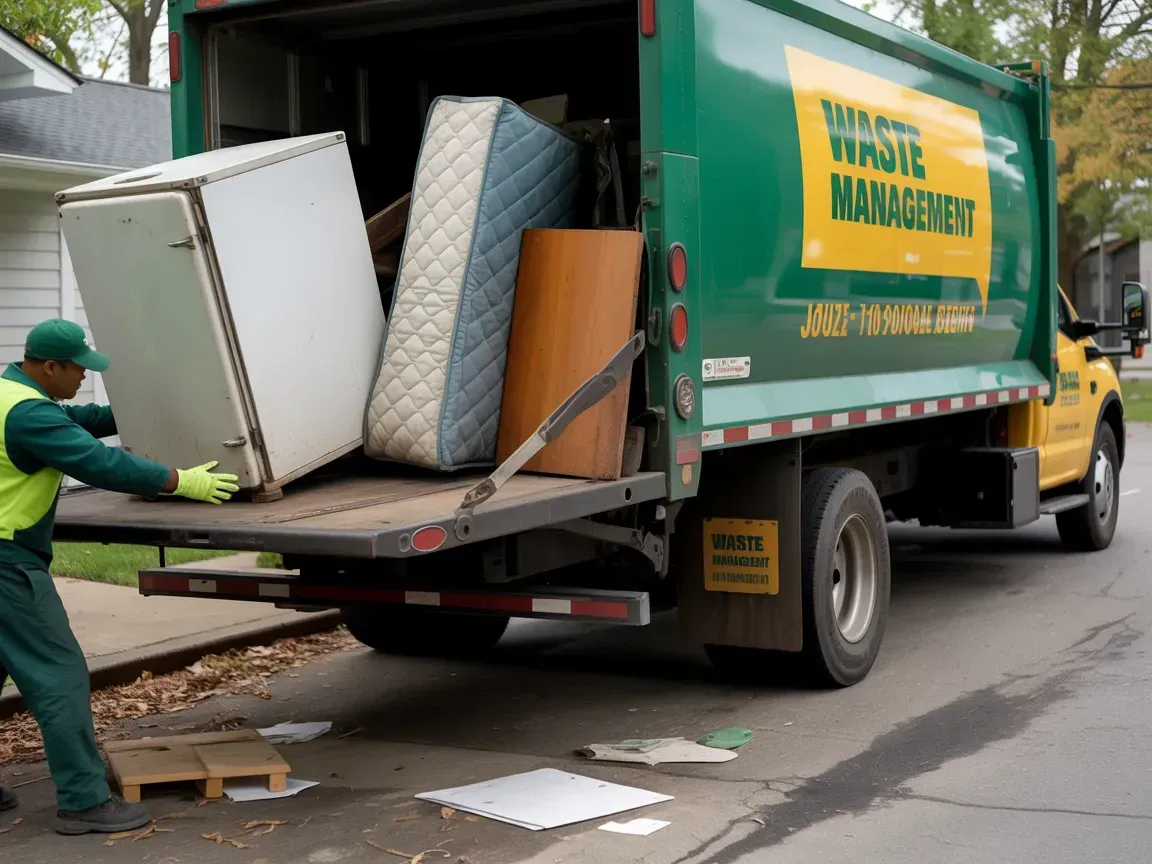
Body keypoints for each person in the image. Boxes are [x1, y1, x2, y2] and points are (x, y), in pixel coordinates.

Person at [0, 319, 239, 835]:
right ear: (50, 367)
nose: (84, 378)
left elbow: (80, 420)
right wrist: (182, 481)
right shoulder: (27, 415)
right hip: (5, 566)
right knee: (58, 677)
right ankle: (83, 801)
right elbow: (100, 464)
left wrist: (141, 407)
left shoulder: (10, 394)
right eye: (79, 370)